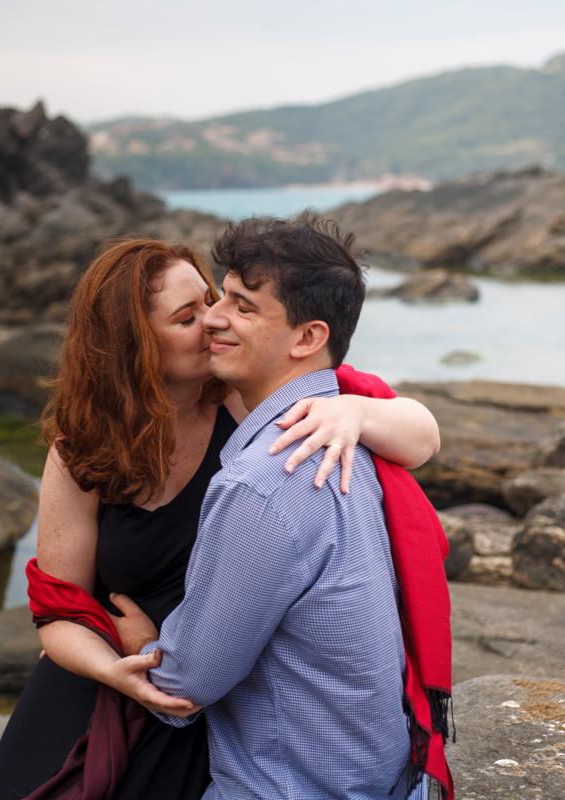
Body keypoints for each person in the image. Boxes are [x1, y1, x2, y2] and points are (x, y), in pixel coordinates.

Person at [0, 234, 441, 800]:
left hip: (213, 685)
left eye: (219, 300)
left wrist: (353, 409)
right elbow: (57, 611)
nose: (215, 320)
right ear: (135, 345)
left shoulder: (257, 403)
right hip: (124, 673)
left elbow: (419, 433)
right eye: (189, 315)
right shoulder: (84, 449)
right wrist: (116, 663)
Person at [107, 214, 449, 800]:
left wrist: (142, 643)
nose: (213, 317)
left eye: (242, 306)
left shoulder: (266, 478)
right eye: (222, 295)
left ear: (307, 338)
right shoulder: (353, 434)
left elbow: (187, 681)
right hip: (388, 776)